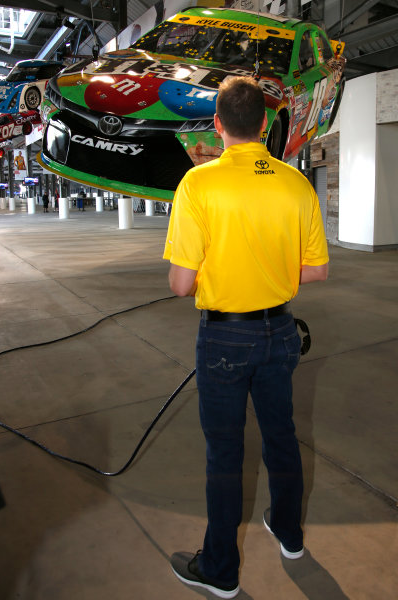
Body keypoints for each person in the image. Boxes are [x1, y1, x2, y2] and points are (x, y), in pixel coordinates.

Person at [163, 76, 329, 598]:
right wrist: (272, 269)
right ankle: (289, 533)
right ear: (265, 124)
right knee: (282, 438)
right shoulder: (295, 183)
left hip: (224, 341)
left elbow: (180, 283)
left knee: (225, 454)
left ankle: (221, 570)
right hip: (281, 332)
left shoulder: (198, 185)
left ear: (218, 124)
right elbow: (317, 271)